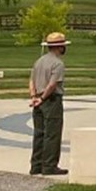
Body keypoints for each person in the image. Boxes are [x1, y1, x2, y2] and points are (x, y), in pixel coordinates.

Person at [29, 31, 70, 176]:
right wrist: (43, 98)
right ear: (60, 47)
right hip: (51, 100)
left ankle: (36, 165)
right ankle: (49, 166)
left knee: (39, 133)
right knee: (52, 134)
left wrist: (34, 96)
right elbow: (52, 85)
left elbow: (31, 81)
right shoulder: (58, 64)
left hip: (37, 99)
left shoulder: (39, 61)